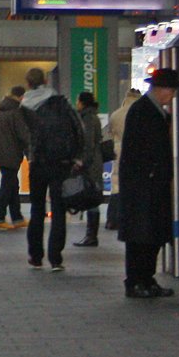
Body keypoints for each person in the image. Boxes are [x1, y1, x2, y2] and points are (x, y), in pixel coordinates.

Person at [118, 68, 179, 299]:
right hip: (143, 186)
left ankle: (147, 279)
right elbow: (137, 151)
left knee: (152, 235)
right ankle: (136, 281)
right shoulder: (143, 111)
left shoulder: (154, 112)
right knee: (140, 236)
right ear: (161, 89)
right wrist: (149, 176)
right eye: (172, 90)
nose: (173, 95)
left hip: (152, 185)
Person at [20, 68, 84, 271]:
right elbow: (78, 128)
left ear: (28, 83)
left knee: (37, 209)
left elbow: (24, 136)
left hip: (38, 163)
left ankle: (36, 256)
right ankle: (56, 258)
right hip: (61, 163)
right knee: (58, 210)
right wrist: (77, 156)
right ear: (46, 81)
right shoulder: (61, 102)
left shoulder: (24, 106)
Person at [0, 85, 30, 230]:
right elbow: (23, 135)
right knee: (7, 186)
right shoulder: (16, 112)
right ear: (21, 97)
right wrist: (30, 151)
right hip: (12, 153)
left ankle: (17, 218)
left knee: (12, 185)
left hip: (0, 152)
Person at [105, 88, 141, 230]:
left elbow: (111, 132)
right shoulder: (140, 112)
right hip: (135, 151)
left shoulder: (116, 114)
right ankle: (131, 218)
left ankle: (112, 218)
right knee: (134, 185)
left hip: (118, 150)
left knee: (116, 185)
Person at [73, 91, 104, 247]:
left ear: (82, 102)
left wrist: (82, 162)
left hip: (91, 164)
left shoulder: (88, 118)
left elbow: (89, 143)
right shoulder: (91, 117)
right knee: (92, 198)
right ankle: (91, 235)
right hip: (93, 162)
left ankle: (91, 236)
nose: (76, 103)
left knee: (92, 198)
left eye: (77, 100)